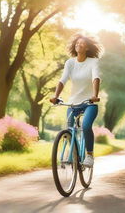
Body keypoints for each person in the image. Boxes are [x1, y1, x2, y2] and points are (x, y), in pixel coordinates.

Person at [50, 34, 103, 167]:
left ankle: (89, 155)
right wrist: (56, 96)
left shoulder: (93, 62)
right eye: (77, 43)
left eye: (82, 43)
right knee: (68, 130)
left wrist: (95, 95)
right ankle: (74, 153)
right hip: (73, 103)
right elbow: (63, 80)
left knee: (85, 126)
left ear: (87, 48)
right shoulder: (70, 62)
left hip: (89, 103)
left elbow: (95, 78)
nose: (79, 44)